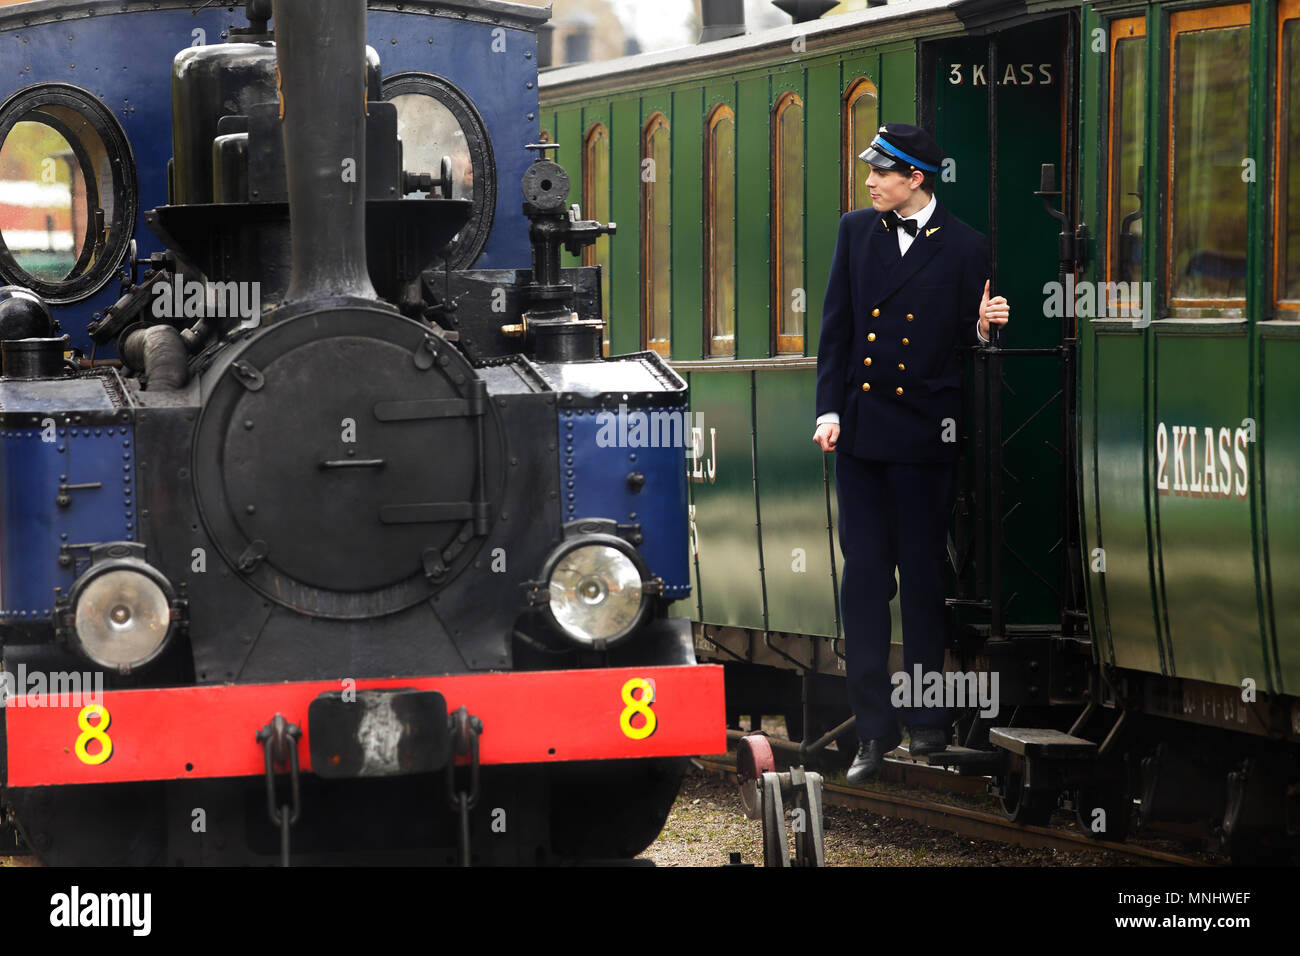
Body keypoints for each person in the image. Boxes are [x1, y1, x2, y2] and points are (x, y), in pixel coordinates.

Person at [812, 123, 1009, 783]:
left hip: (926, 440)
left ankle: (927, 725)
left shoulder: (967, 249)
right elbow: (836, 329)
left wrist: (984, 328)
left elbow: (968, 337)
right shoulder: (853, 232)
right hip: (862, 439)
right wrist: (830, 410)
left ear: (916, 178)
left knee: (924, 584)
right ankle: (873, 732)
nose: (870, 180)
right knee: (865, 585)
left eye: (883, 171)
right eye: (872, 170)